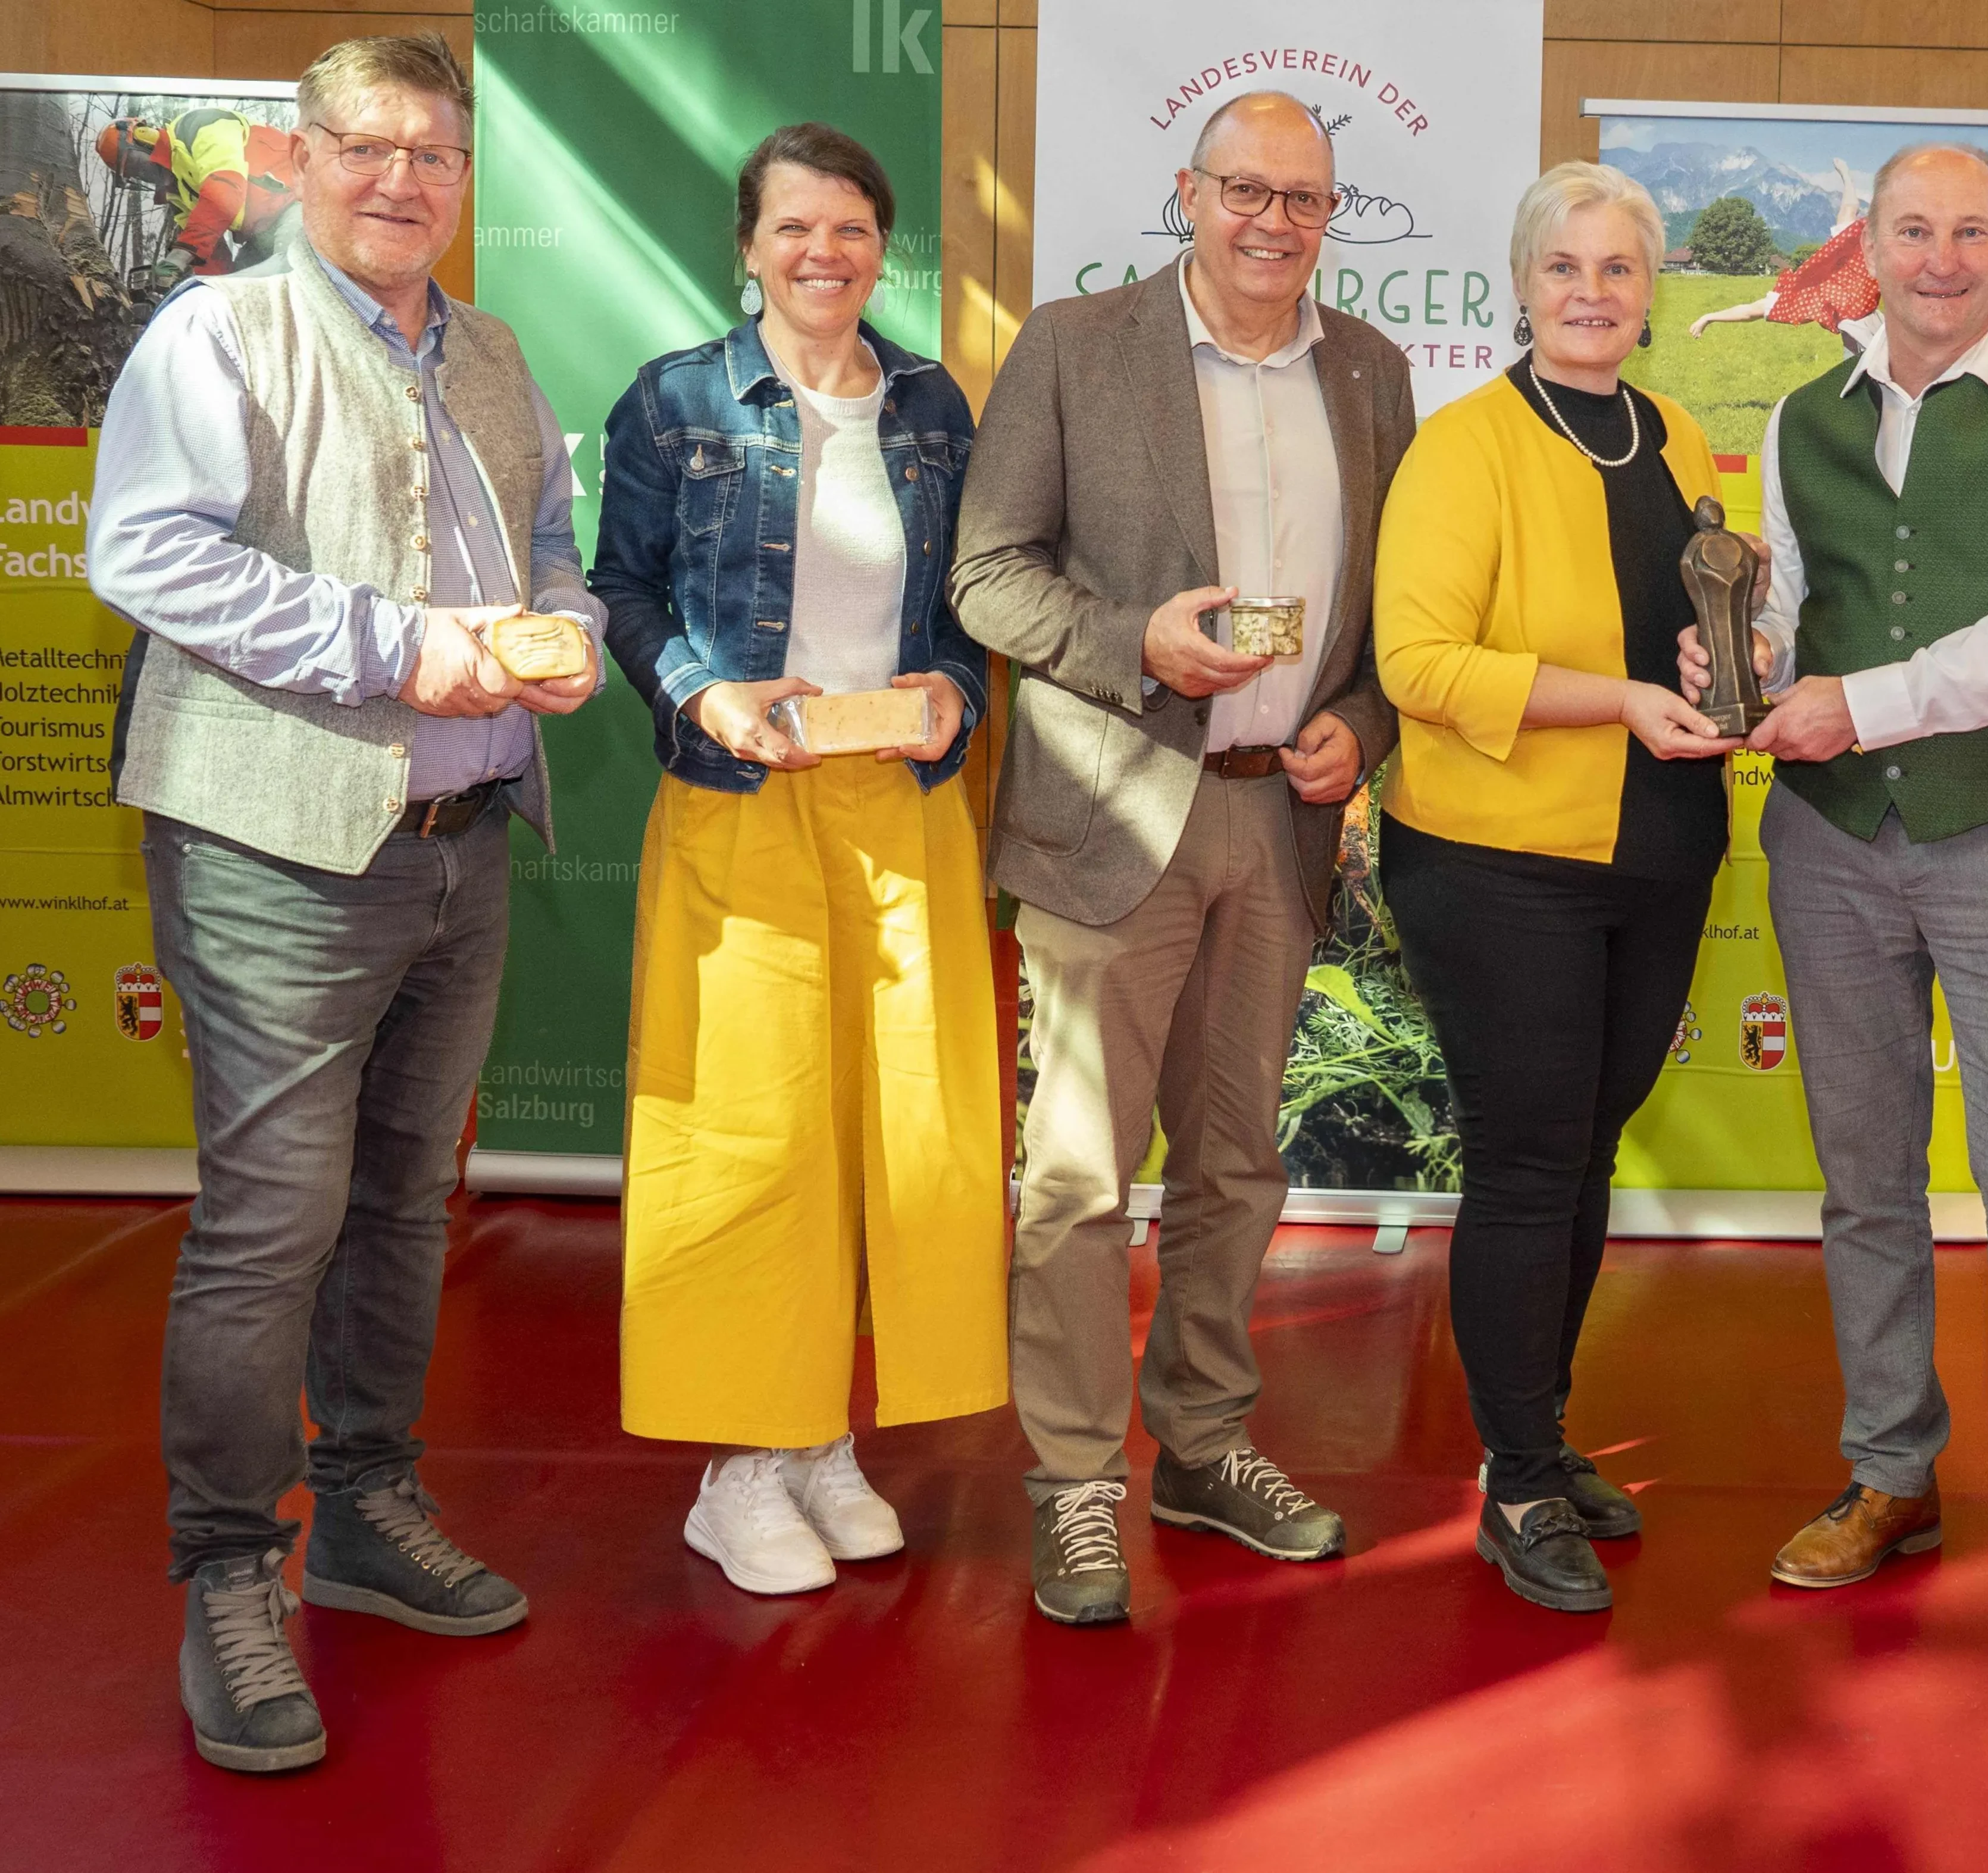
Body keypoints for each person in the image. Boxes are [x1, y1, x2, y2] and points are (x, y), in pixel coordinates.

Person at [86, 33, 600, 1773]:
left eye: (433, 158)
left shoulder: (497, 352)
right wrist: (402, 647)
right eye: (367, 149)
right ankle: (231, 1568)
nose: (401, 182)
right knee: (269, 1220)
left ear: (465, 179)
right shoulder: (217, 332)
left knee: (398, 1207)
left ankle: (369, 1503)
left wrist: (565, 632)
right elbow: (146, 553)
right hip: (269, 849)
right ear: (301, 158)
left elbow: (543, 545)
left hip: (455, 847)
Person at [1686, 143, 1988, 1659]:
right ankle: (1889, 1470)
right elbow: (1777, 603)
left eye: (1970, 231)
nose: (1941, 258)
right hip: (1826, 841)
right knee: (1864, 1177)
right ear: (1867, 247)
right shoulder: (1800, 412)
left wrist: (1861, 704)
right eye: (1912, 230)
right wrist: (1732, 660)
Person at [950, 89, 1414, 1625]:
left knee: (1238, 1161)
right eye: (1245, 190)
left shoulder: (1372, 371)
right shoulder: (1079, 349)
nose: (1274, 221)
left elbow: (1386, 620)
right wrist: (1127, 644)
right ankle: (1077, 1477)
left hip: (1281, 818)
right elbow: (987, 578)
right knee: (1080, 1174)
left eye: (1305, 198)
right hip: (1109, 814)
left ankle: (1205, 1443)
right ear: (1187, 193)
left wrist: (1359, 720)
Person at [591, 124, 1004, 1597]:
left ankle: (820, 1432)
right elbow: (618, 592)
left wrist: (953, 684)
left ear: (879, 245)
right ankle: (738, 1463)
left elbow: (964, 599)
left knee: (900, 1124)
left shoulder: (931, 406)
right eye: (793, 229)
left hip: (898, 802)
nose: (823, 254)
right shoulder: (676, 402)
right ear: (747, 245)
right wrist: (703, 687)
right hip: (740, 805)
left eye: (849, 229)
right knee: (749, 1128)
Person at [1373, 162, 1737, 1615]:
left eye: (1620, 270)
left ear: (1652, 295)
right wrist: (1625, 699)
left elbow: (1701, 611)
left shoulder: (1684, 430)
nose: (1592, 292)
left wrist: (1715, 658)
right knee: (1529, 1165)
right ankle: (1513, 1478)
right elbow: (1417, 665)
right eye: (1564, 267)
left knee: (1584, 1150)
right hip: (1497, 859)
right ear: (1518, 287)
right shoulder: (1464, 447)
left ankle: (1543, 1430)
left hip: (1656, 853)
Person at [99, 108, 302, 290]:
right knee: (239, 289)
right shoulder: (178, 192)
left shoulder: (200, 126)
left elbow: (225, 191)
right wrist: (209, 292)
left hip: (300, 204)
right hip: (262, 233)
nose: (142, 173)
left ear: (145, 137)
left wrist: (178, 257)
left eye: (136, 164)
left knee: (288, 272)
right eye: (134, 174)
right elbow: (210, 253)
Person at [1687, 158, 1876, 338]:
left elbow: (1750, 312)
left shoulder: (1798, 300)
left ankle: (1846, 176)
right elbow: (1749, 312)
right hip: (1858, 289)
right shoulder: (1797, 302)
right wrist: (1709, 317)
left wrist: (1709, 317)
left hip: (1856, 276)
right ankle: (1847, 176)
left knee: (1848, 216)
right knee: (1849, 216)